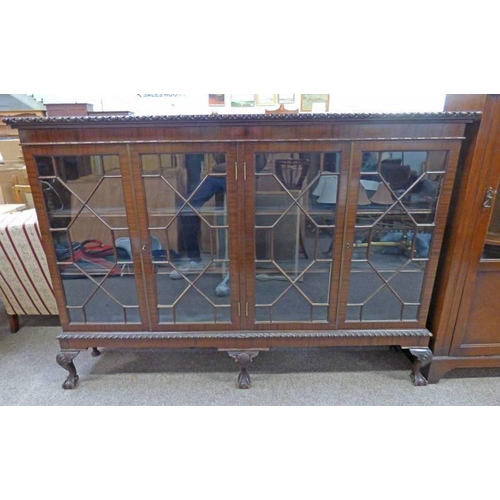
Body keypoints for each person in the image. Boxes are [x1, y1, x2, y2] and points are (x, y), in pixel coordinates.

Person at [170, 153, 267, 298]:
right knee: (186, 208)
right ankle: (195, 260)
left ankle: (235, 270)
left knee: (239, 217)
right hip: (219, 174)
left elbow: (260, 162)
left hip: (244, 173)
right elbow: (218, 156)